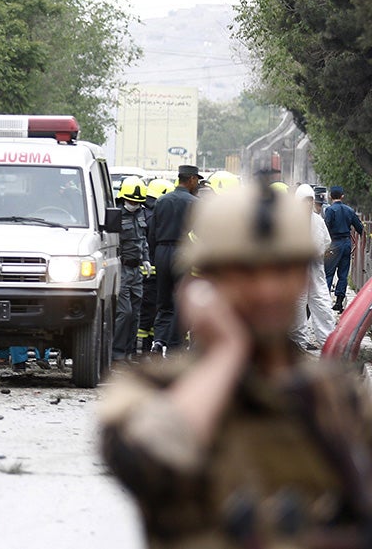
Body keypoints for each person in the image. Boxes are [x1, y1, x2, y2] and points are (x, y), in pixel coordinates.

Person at [98, 182, 372, 548]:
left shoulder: (334, 395)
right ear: (204, 281)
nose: (267, 290)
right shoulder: (157, 386)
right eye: (244, 272)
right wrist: (228, 352)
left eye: (282, 270)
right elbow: (145, 460)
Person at [149, 164, 201, 355]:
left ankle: (158, 341)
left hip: (162, 252)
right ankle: (173, 346)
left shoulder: (162, 200)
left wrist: (155, 256)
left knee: (163, 302)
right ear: (192, 179)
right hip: (183, 253)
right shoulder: (194, 203)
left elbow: (152, 233)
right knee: (181, 301)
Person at [293, 183, 335, 349]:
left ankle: (329, 343)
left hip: (315, 269)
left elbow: (326, 241)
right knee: (297, 307)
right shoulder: (291, 220)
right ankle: (298, 344)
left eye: (310, 200)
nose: (308, 203)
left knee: (322, 304)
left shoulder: (317, 220)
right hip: (296, 270)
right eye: (305, 200)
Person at [113, 176, 151, 362]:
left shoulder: (141, 214)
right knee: (124, 312)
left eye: (137, 202)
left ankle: (129, 353)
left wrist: (146, 260)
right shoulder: (116, 216)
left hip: (137, 271)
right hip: (122, 270)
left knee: (135, 314)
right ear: (123, 198)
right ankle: (117, 353)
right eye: (130, 201)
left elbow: (142, 240)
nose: (133, 204)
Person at [136, 178, 173, 353]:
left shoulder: (143, 214)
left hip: (143, 271)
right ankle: (144, 348)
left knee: (146, 311)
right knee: (150, 312)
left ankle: (142, 347)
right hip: (152, 271)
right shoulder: (153, 217)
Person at [324, 185, 364, 313]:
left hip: (334, 243)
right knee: (343, 274)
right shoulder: (349, 210)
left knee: (329, 273)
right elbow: (360, 228)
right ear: (342, 196)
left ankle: (325, 301)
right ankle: (339, 302)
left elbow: (326, 228)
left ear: (330, 196)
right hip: (346, 243)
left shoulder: (330, 210)